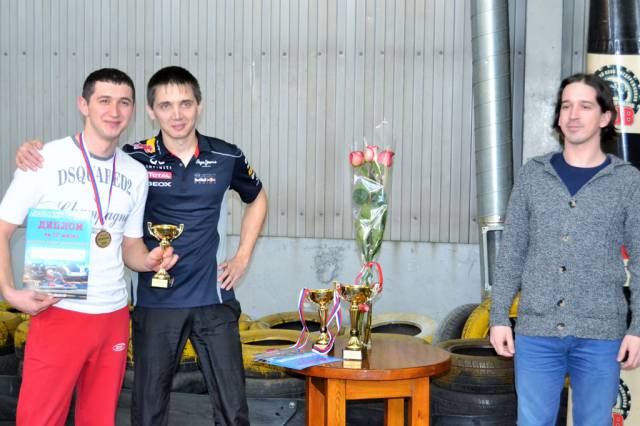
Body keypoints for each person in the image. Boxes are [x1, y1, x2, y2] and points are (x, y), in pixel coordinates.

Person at [16, 66, 268, 425]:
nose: (177, 114)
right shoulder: (133, 159)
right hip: (155, 302)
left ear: (199, 106)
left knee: (233, 411)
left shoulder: (227, 157)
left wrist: (242, 257)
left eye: (185, 104)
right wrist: (33, 152)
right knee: (148, 414)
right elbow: (87, 155)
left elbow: (257, 198)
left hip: (213, 299)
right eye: (165, 105)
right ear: (151, 111)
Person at [0, 68, 177, 425]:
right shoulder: (44, 160)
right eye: (104, 101)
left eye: (124, 102)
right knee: (38, 419)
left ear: (133, 110)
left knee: (99, 419)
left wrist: (150, 260)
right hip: (58, 310)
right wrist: (9, 292)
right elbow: (2, 229)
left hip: (113, 315)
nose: (114, 111)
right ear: (84, 105)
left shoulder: (135, 173)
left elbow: (129, 246)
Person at [489, 73, 640, 425]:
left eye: (585, 106)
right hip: (537, 332)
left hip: (601, 334)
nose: (573, 114)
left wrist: (637, 328)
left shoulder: (628, 181)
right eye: (566, 106)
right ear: (558, 117)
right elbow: (512, 250)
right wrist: (498, 317)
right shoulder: (533, 174)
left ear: (605, 117)